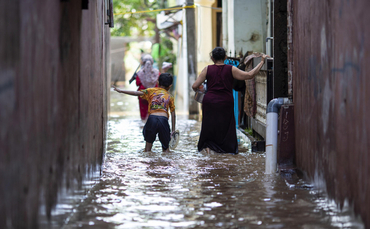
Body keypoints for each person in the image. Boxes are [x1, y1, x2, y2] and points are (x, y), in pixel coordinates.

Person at [192, 47, 268, 154]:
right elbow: (249, 75)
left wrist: (199, 90)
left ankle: (208, 147)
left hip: (210, 101)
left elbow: (194, 85)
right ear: (225, 57)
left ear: (212, 58)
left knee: (209, 124)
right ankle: (226, 150)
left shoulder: (207, 69)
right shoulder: (231, 69)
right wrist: (261, 62)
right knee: (225, 125)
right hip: (225, 102)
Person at [114, 73, 176, 152]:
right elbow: (173, 115)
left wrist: (121, 91)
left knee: (147, 149)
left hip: (152, 119)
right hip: (163, 120)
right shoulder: (170, 96)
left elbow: (136, 93)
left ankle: (148, 163)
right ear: (170, 86)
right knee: (166, 150)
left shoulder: (150, 91)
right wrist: (173, 130)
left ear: (157, 82)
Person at [136, 54, 160, 121]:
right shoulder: (157, 72)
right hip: (154, 95)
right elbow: (160, 83)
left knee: (144, 111)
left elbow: (137, 83)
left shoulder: (139, 73)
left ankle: (143, 124)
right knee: (154, 110)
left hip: (142, 94)